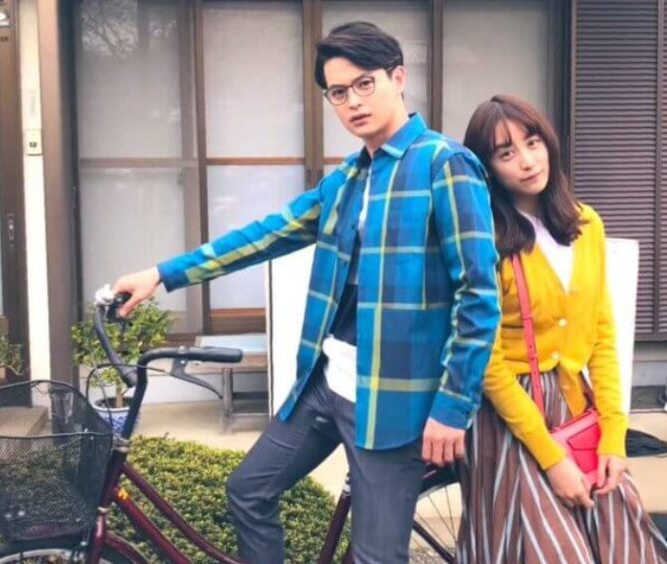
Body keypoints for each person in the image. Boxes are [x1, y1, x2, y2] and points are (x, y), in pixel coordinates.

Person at [113, 22, 500, 564]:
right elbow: (263, 236)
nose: (353, 102)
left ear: (397, 78)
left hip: (394, 400)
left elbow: (478, 296)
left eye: (364, 84)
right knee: (248, 491)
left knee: (375, 557)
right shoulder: (347, 179)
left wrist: (453, 407)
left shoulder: (444, 165)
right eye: (338, 92)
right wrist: (161, 273)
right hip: (325, 382)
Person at [458, 94, 667, 563]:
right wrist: (551, 459)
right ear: (487, 168)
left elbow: (602, 336)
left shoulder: (586, 224)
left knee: (623, 542)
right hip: (509, 415)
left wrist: (614, 437)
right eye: (506, 153)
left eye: (532, 143)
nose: (527, 161)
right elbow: (486, 360)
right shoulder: (487, 239)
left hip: (577, 405)